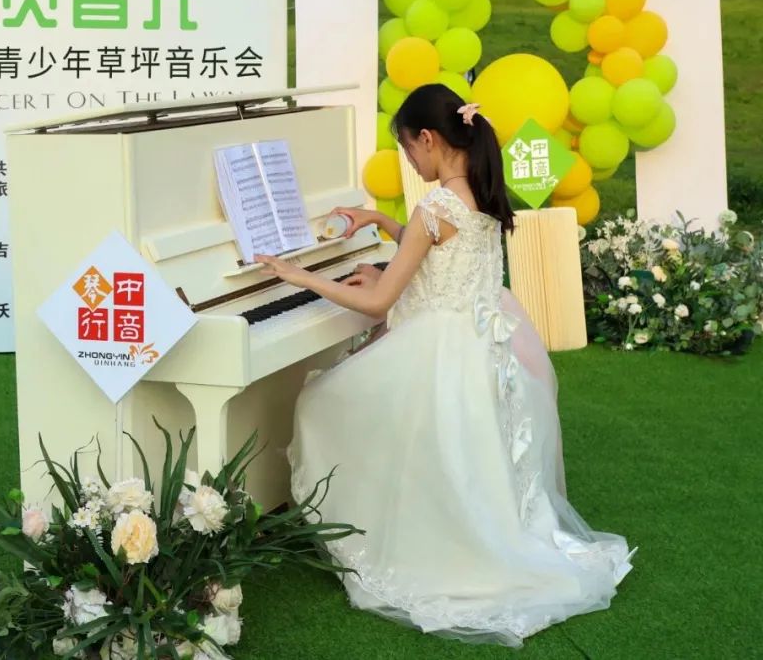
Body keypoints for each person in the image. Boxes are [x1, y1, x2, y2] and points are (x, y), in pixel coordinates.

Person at [255, 84, 634, 648]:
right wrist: (379, 221)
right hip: (479, 350)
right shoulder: (478, 191)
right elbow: (440, 250)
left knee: (321, 402)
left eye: (409, 149)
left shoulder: (434, 206)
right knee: (463, 461)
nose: (411, 161)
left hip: (437, 351)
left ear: (429, 139)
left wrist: (301, 277)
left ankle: (375, 528)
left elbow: (378, 302)